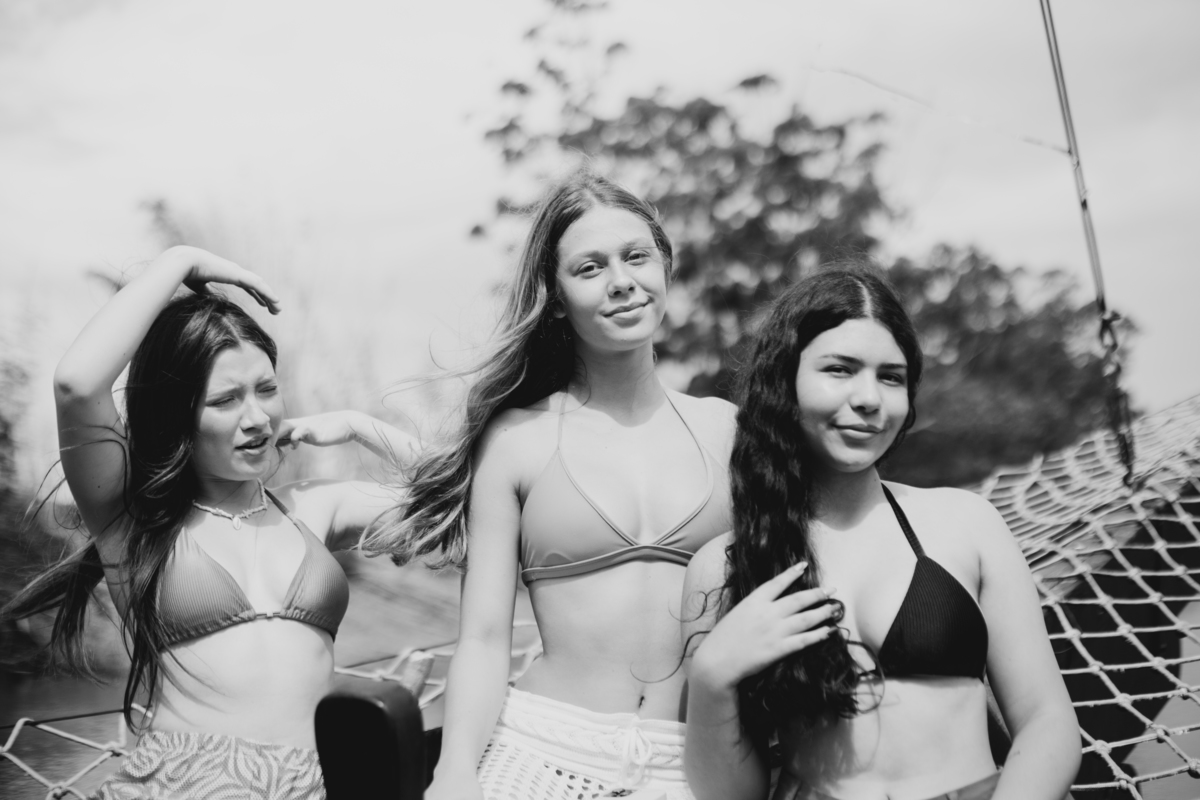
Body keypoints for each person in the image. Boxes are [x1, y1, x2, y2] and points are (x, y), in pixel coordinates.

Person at [364, 171, 735, 800]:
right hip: (542, 754)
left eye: (636, 257)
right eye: (590, 268)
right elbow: (484, 638)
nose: (621, 281)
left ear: (665, 269)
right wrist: (455, 772)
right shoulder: (517, 440)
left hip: (693, 765)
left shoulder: (730, 430)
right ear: (556, 298)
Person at [2, 246, 415, 799]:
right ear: (177, 414)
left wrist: (361, 426)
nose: (256, 418)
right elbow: (77, 385)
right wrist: (179, 262)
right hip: (187, 784)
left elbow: (466, 499)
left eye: (266, 389)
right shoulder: (132, 521)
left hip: (317, 784)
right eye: (225, 400)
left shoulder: (314, 507)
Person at [682, 265, 1080, 800]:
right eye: (840, 369)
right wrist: (711, 680)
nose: (870, 398)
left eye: (891, 377)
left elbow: (1047, 721)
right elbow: (731, 797)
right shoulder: (724, 565)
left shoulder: (965, 523)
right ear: (783, 381)